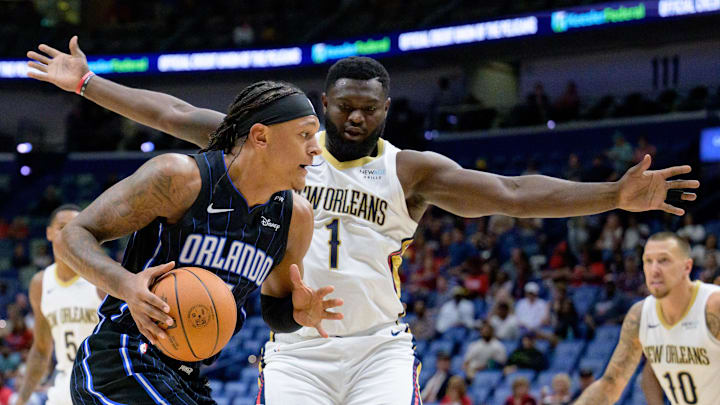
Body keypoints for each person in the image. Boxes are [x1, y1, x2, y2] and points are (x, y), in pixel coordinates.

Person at [28, 38, 699, 405]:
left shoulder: (411, 171)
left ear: (385, 108)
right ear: (323, 104)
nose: (354, 118)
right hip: (294, 345)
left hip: (377, 344)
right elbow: (173, 115)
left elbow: (514, 192)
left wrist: (612, 192)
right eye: (343, 106)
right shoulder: (271, 144)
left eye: (368, 108)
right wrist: (88, 85)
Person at [52, 81, 343, 404]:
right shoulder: (180, 179)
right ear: (261, 137)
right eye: (305, 134)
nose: (317, 148)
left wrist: (296, 314)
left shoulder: (295, 219)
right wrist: (125, 285)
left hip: (185, 374)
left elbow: (276, 310)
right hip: (122, 359)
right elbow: (73, 236)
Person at [574, 232, 720, 405]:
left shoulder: (712, 306)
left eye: (664, 260)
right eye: (648, 261)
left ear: (687, 267)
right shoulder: (641, 315)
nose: (654, 270)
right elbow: (611, 383)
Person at [14, 205, 105, 405]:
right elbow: (40, 350)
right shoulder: (41, 283)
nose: (69, 233)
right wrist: (21, 400)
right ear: (49, 232)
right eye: (62, 227)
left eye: (76, 227)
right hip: (65, 383)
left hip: (102, 383)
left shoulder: (101, 278)